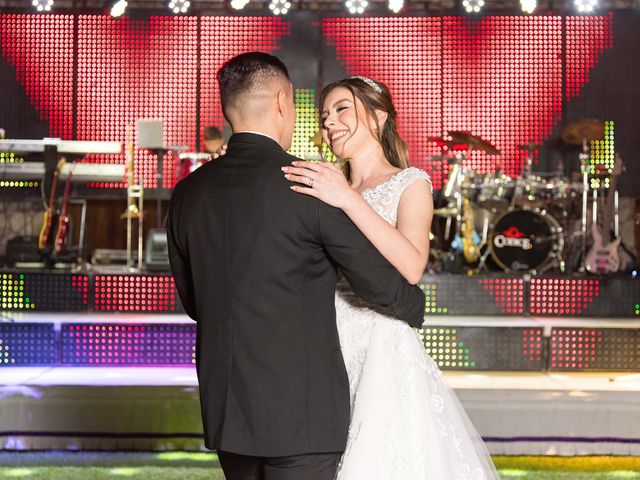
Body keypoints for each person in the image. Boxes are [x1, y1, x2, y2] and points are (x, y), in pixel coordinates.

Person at [167, 52, 425, 480]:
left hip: (228, 411)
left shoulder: (188, 192)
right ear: (284, 102)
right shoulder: (308, 184)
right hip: (302, 415)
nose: (329, 123)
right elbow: (382, 285)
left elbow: (195, 302)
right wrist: (414, 307)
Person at [283, 76, 500, 479]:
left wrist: (347, 200)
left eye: (341, 109)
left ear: (379, 117)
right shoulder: (325, 182)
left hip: (380, 339)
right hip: (324, 337)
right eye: (325, 115)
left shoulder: (410, 182)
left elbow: (412, 264)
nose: (329, 122)